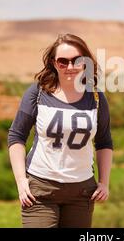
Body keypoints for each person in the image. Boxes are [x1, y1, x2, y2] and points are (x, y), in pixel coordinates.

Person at [7, 33, 113, 228]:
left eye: (76, 60)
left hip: (81, 192)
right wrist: (21, 181)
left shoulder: (96, 98)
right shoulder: (38, 93)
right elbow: (16, 136)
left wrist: (104, 182)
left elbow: (104, 142)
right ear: (53, 63)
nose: (70, 67)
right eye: (63, 61)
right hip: (40, 190)